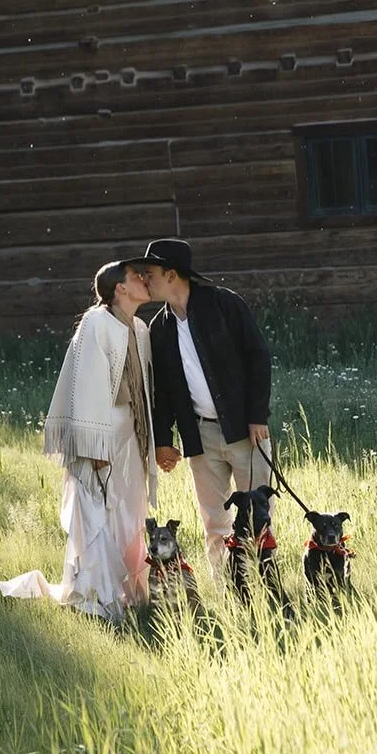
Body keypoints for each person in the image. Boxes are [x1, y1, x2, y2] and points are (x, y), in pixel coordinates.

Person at [0, 261, 157, 622]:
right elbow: (84, 386)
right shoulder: (96, 323)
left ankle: (128, 592)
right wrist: (91, 449)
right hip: (102, 432)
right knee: (100, 508)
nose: (145, 281)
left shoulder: (141, 329)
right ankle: (98, 596)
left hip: (131, 434)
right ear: (120, 289)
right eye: (136, 278)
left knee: (130, 509)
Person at [136, 238, 274, 581]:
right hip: (200, 435)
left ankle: (263, 584)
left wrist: (258, 414)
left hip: (245, 429)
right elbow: (162, 390)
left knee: (258, 514)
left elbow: (258, 357)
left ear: (171, 275)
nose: (143, 279)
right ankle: (225, 587)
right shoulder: (159, 328)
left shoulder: (225, 304)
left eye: (149, 273)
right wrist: (164, 439)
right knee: (214, 520)